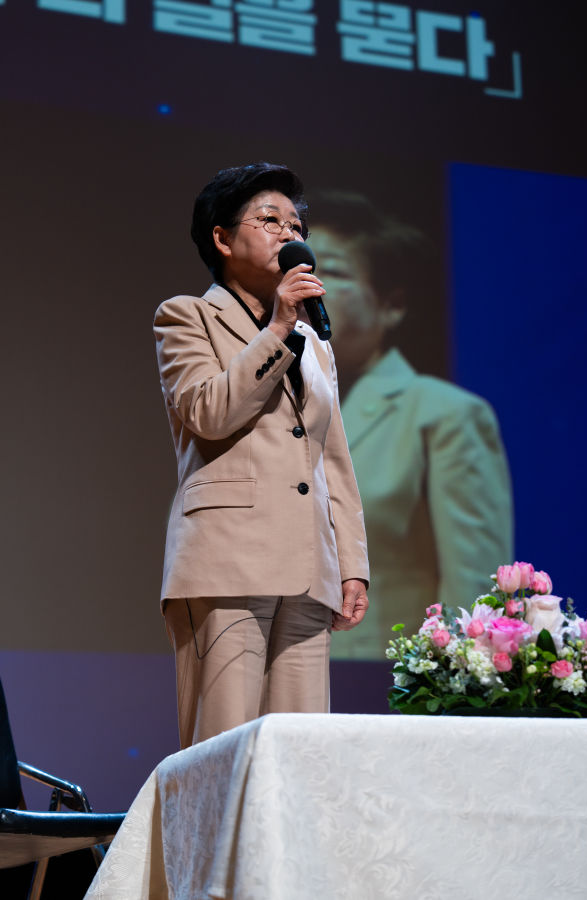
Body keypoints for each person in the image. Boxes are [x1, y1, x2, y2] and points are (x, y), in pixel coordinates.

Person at [154, 164, 369, 746]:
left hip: (308, 569)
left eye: (295, 223)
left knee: (299, 750)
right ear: (222, 239)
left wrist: (351, 564)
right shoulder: (187, 317)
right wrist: (277, 328)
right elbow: (208, 412)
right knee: (225, 747)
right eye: (269, 219)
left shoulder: (314, 342)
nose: (287, 232)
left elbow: (333, 459)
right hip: (228, 563)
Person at [307, 190, 513, 659]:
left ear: (392, 305)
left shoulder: (445, 413)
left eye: (331, 272)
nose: (307, 285)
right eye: (298, 271)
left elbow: (474, 587)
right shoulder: (269, 407)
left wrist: (459, 687)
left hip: (385, 683)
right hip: (281, 680)